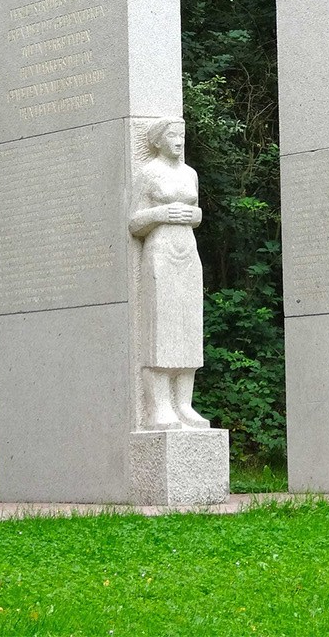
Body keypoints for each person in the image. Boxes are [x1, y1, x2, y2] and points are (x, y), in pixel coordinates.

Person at [128, 117, 211, 430]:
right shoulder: (149, 174)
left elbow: (198, 214)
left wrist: (195, 215)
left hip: (187, 252)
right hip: (160, 252)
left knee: (188, 327)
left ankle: (184, 405)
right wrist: (161, 213)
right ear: (158, 140)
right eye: (173, 135)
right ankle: (160, 406)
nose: (179, 140)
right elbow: (134, 221)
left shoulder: (190, 174)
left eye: (183, 135)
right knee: (161, 329)